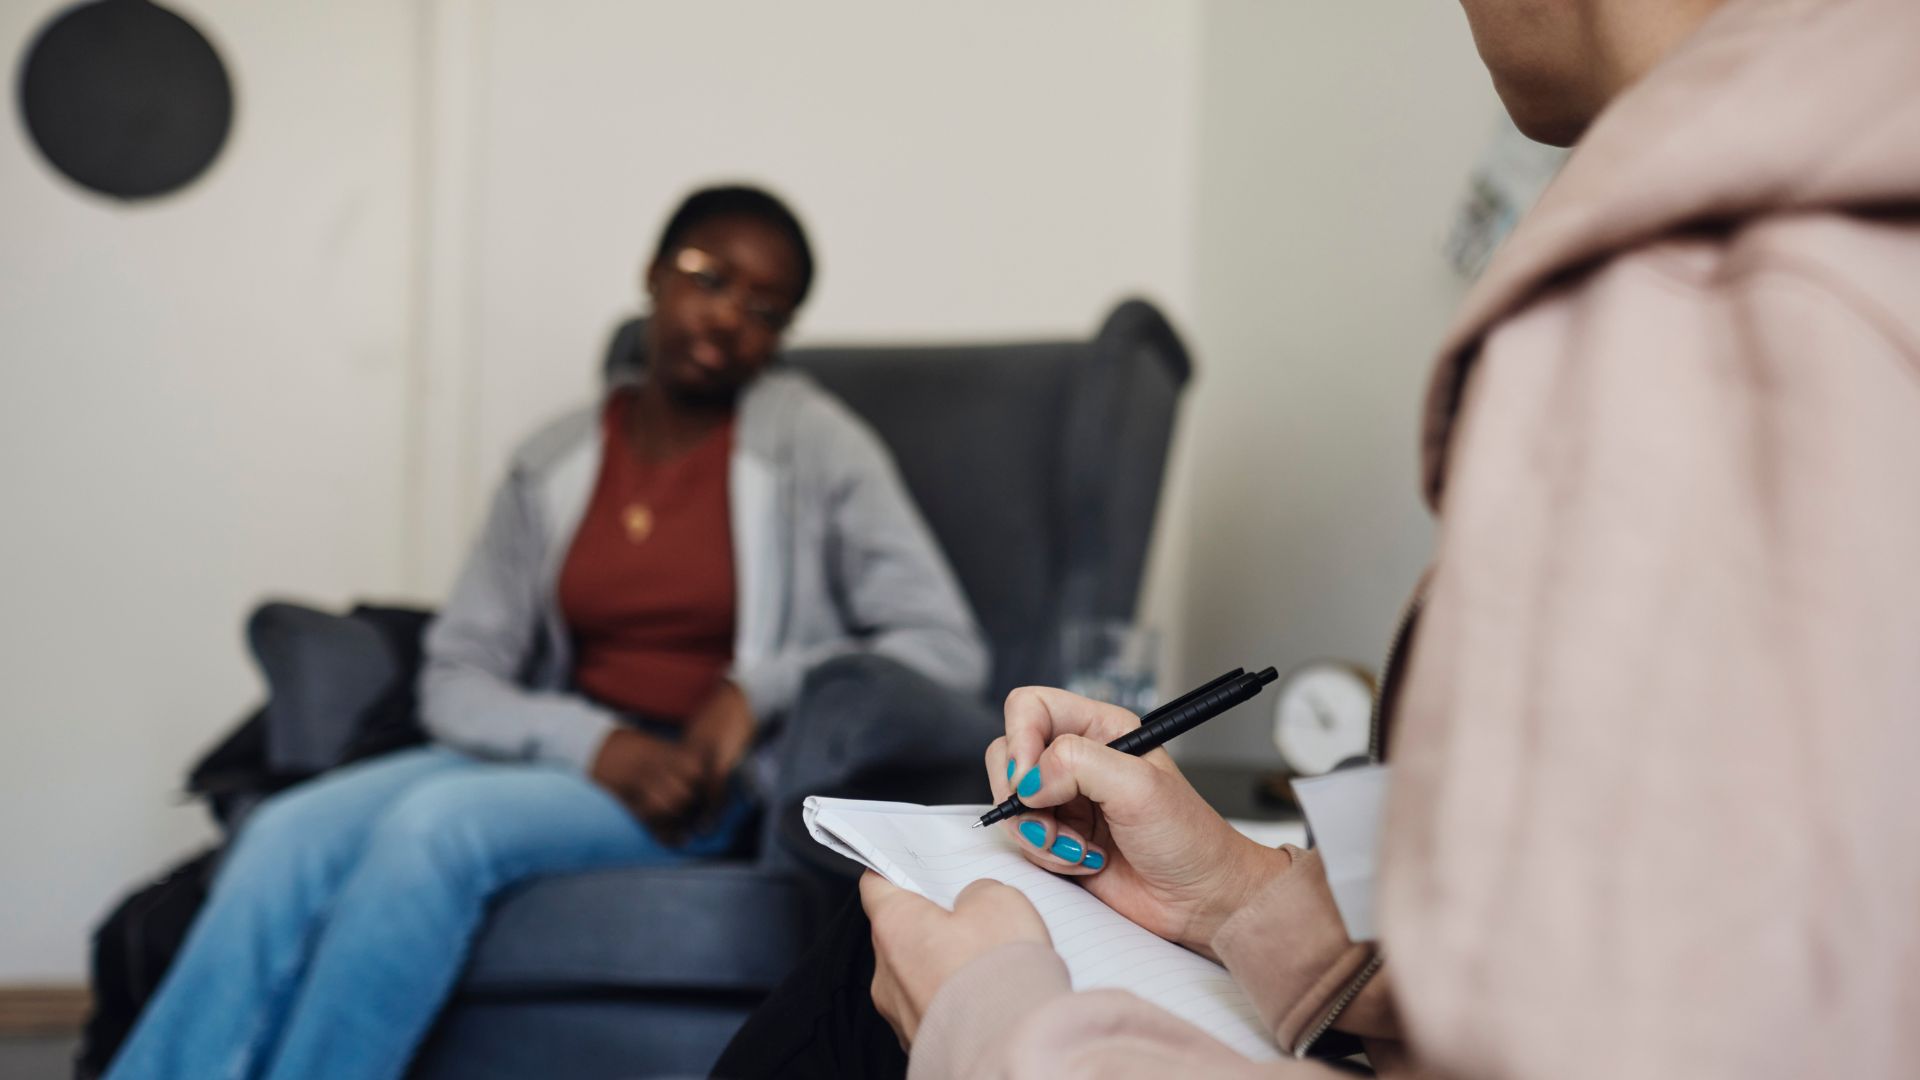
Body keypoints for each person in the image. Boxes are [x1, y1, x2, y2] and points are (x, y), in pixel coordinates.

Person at [715, 0, 1920, 1076]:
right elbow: (1660, 938)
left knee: (863, 986)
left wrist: (999, 1031)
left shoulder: (1715, 304)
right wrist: (1233, 890)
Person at [105, 184, 989, 1080]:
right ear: (652, 274)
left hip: (693, 782)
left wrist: (751, 690)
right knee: (284, 834)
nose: (727, 319)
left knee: (433, 832)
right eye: (707, 277)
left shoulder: (818, 444)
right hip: (560, 747)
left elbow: (944, 647)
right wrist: (591, 742)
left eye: (765, 309)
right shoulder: (553, 459)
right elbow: (456, 672)